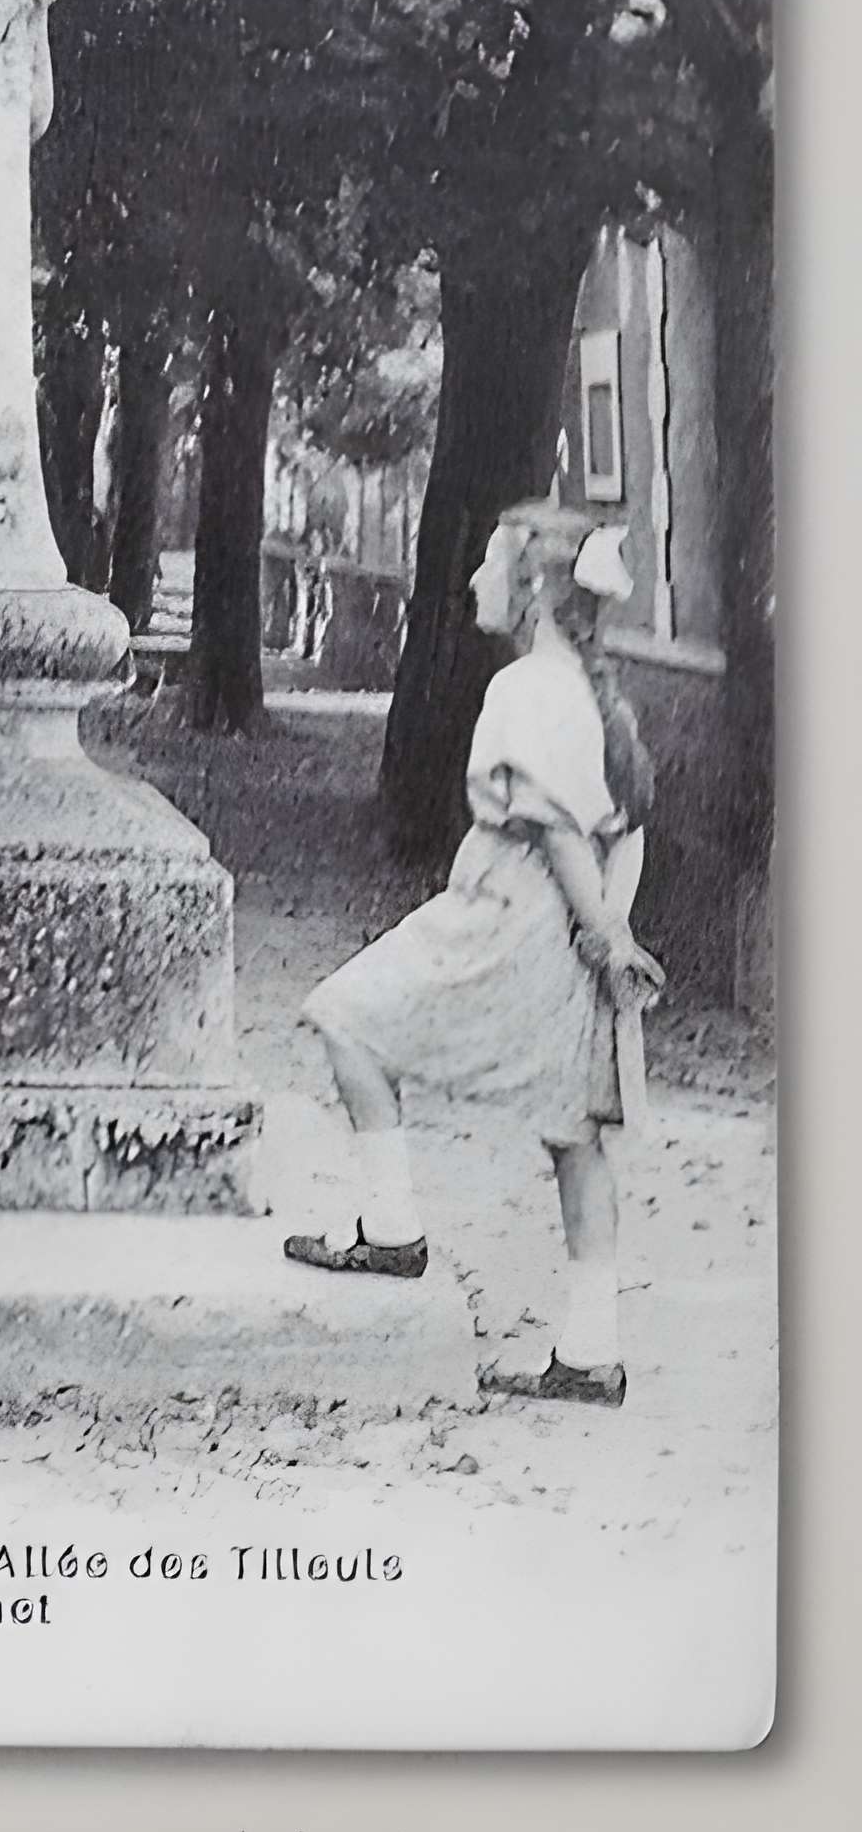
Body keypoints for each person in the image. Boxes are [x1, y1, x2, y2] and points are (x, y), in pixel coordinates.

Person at [283, 505, 662, 1407]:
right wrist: (609, 926)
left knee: (347, 1015)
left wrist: (605, 941)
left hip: (515, 906)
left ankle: (392, 1223)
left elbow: (557, 830)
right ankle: (591, 1350)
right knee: (575, 1130)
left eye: (489, 566)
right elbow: (625, 832)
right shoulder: (596, 695)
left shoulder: (525, 689)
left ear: (532, 590)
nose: (472, 584)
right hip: (576, 918)